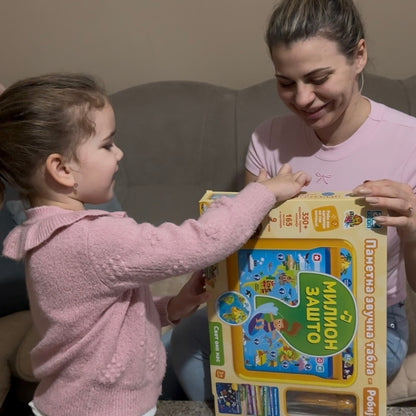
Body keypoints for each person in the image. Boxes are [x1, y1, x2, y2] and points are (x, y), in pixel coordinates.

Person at [0, 73, 310, 416]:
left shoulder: (43, 234)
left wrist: (173, 306)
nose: (119, 153)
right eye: (107, 145)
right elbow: (202, 242)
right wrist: (262, 194)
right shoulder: (91, 239)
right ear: (61, 169)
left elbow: (100, 318)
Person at [166, 0, 416, 401]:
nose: (302, 99)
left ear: (359, 56)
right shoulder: (267, 140)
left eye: (318, 78)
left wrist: (413, 228)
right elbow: (245, 251)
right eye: (286, 82)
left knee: (284, 373)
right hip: (273, 304)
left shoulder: (409, 142)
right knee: (178, 343)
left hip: (371, 322)